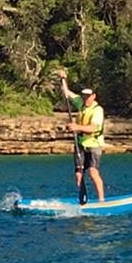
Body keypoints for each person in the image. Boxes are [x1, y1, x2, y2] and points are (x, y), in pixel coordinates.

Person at [54, 68, 107, 204]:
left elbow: (92, 128)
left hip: (94, 145)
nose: (85, 99)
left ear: (93, 96)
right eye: (84, 96)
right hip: (81, 144)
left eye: (88, 96)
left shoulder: (97, 110)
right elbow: (66, 93)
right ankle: (83, 200)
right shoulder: (80, 103)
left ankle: (101, 201)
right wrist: (63, 79)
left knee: (93, 173)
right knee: (79, 174)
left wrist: (76, 127)